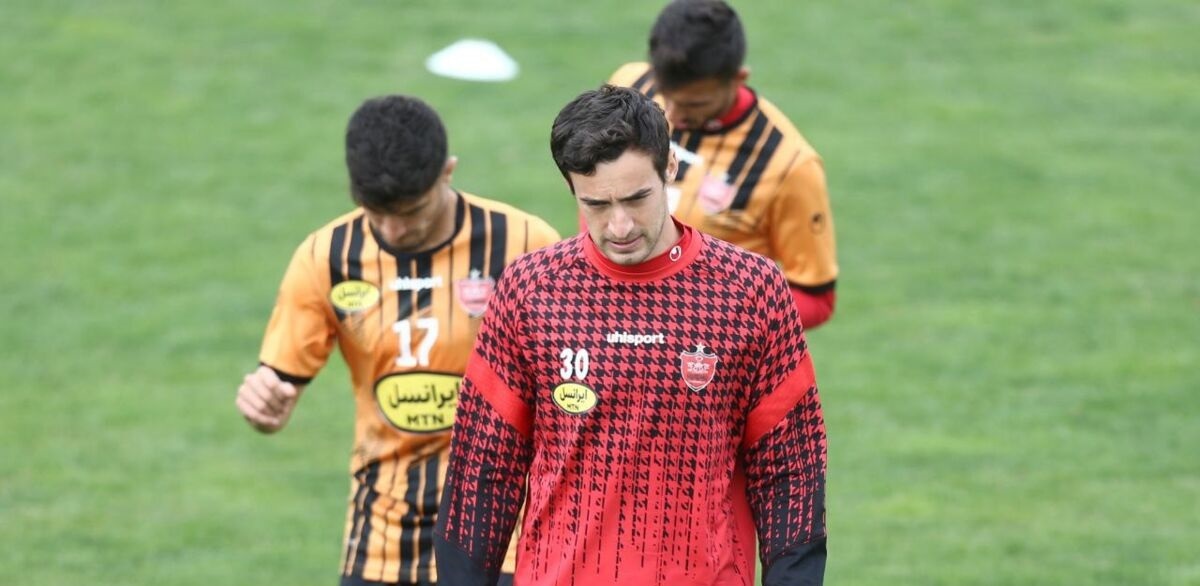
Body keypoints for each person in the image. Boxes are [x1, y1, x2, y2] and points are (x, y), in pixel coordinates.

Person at [435, 85, 828, 585]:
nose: (619, 226)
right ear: (571, 188)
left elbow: (792, 471)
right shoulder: (530, 289)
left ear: (670, 169)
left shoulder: (750, 290)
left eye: (637, 198)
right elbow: (482, 472)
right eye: (596, 204)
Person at [235, 94, 560, 586]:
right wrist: (265, 404)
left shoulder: (526, 244)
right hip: (382, 536)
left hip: (505, 530)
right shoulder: (326, 257)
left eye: (411, 211)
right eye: (376, 212)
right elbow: (278, 383)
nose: (394, 229)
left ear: (447, 172)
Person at [609, 0, 839, 329]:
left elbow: (816, 297)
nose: (672, 114)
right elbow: (600, 183)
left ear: (738, 79)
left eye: (695, 104)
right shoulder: (630, 89)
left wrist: (712, 317)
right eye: (666, 95)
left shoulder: (790, 166)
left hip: (706, 353)